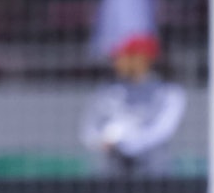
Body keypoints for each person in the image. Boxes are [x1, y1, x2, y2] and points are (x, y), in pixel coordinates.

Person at [79, 33, 186, 175]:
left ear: (143, 59)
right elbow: (89, 132)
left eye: (125, 57)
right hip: (114, 171)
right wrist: (104, 138)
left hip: (154, 172)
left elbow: (162, 130)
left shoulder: (169, 93)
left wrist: (126, 139)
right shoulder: (108, 92)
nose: (117, 62)